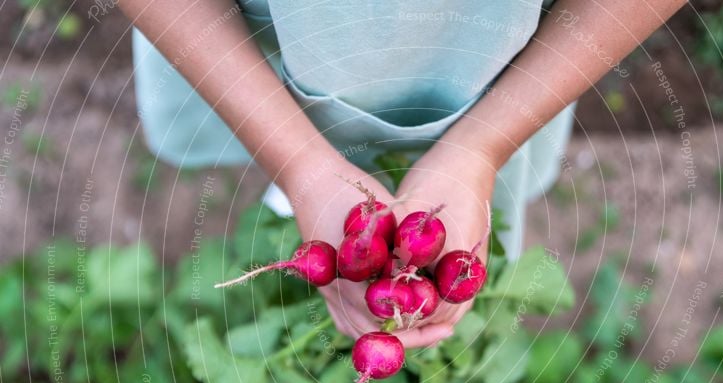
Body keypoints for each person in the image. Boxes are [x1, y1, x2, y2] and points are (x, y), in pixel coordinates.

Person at [120, 0, 686, 347]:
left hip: (489, 65)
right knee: (295, 140)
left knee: (448, 209)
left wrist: (480, 149)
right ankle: (302, 183)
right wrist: (299, 164)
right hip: (267, 40)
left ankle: (315, 186)